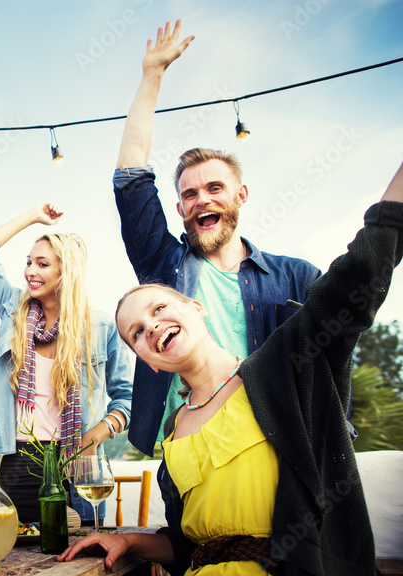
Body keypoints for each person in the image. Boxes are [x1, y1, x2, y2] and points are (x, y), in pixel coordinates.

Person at [26, 162, 403, 576]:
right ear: (146, 360)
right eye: (136, 333)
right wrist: (128, 540)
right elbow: (190, 547)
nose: (151, 328)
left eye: (160, 309)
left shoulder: (283, 371)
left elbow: (361, 272)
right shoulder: (173, 439)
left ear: (196, 308)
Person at [114, 20, 320, 459]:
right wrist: (152, 75)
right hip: (186, 448)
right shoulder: (163, 269)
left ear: (240, 196)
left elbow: (331, 357)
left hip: (273, 449)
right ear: (179, 209)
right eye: (189, 194)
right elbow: (130, 179)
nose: (201, 199)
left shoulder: (297, 277)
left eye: (215, 189)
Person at [0, 203, 132, 526]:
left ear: (64, 272)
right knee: (16, 558)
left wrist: (93, 438)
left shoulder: (101, 329)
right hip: (18, 461)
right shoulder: (14, 309)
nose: (30, 271)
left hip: (77, 461)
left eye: (42, 264)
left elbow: (127, 399)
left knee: (80, 552)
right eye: (28, 262)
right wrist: (32, 216)